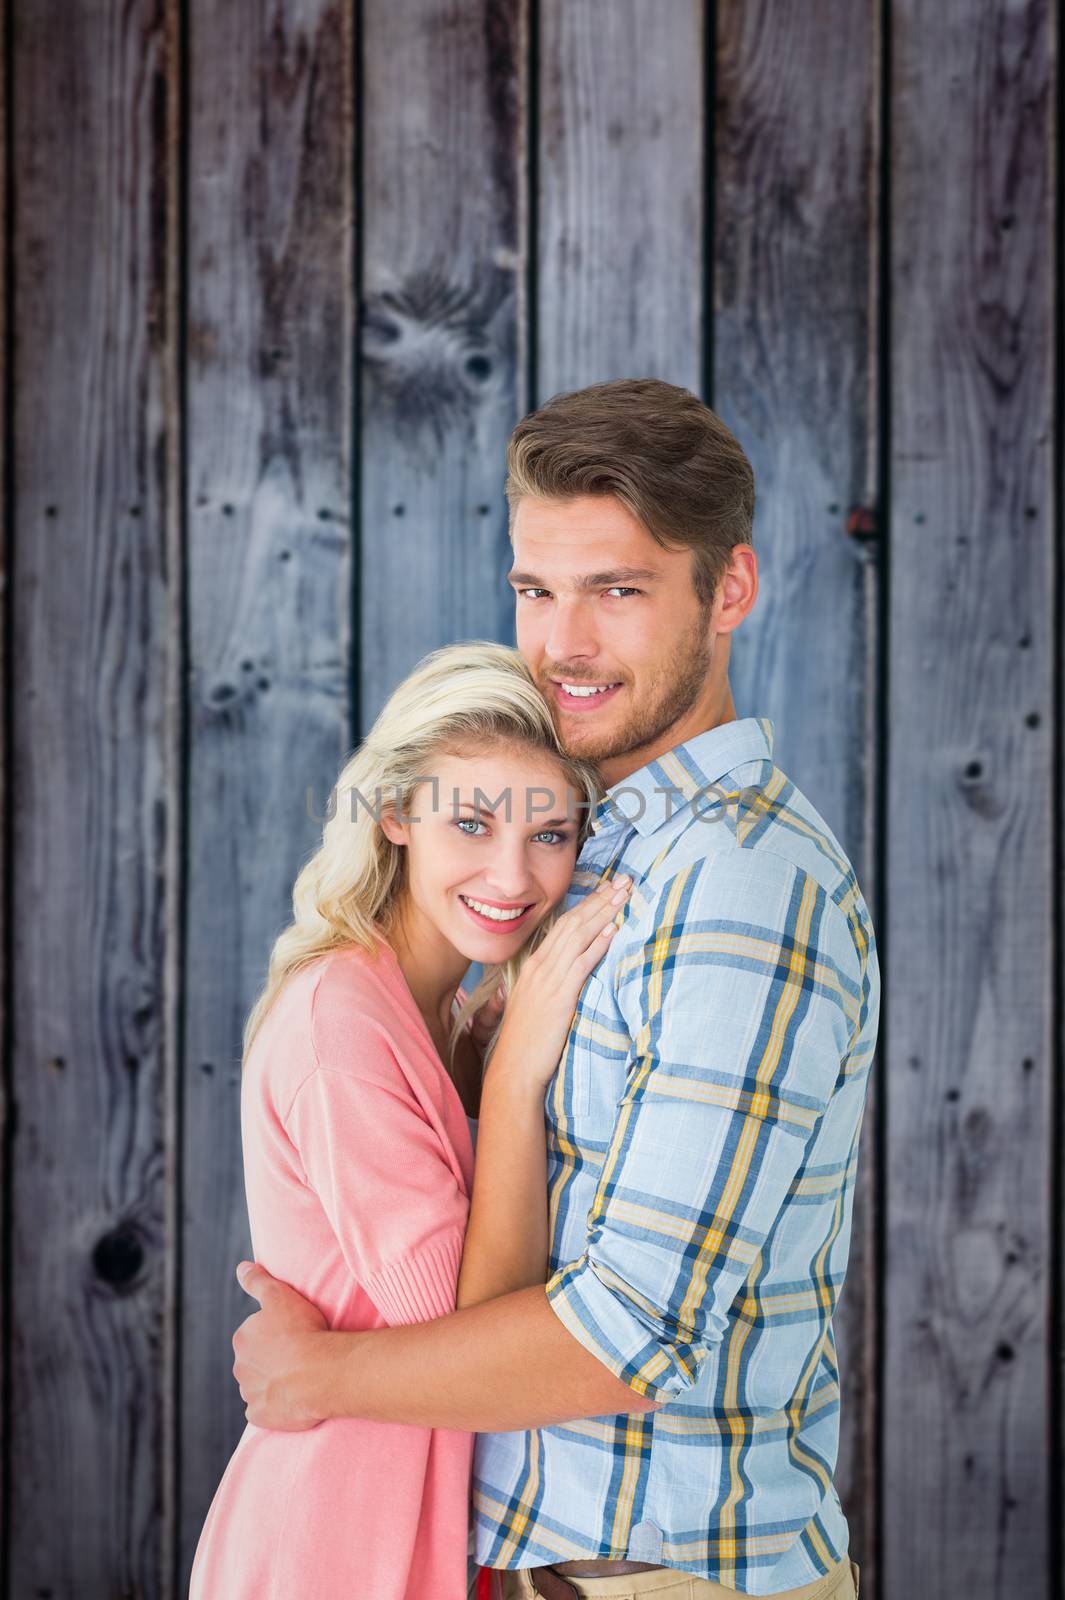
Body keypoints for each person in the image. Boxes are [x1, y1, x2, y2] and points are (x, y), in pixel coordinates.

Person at [231, 378, 880, 1600]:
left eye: (618, 591)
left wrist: (317, 1378)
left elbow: (634, 1334)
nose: (564, 644)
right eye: (538, 590)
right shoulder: (598, 850)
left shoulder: (738, 883)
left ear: (729, 589)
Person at [188, 638, 637, 1600]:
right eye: (471, 823)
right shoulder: (341, 1022)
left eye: (550, 835)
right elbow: (467, 1340)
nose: (512, 878)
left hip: (420, 1537)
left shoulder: (438, 1014)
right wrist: (515, 1083)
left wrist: (484, 1061)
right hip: (334, 1545)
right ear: (394, 816)